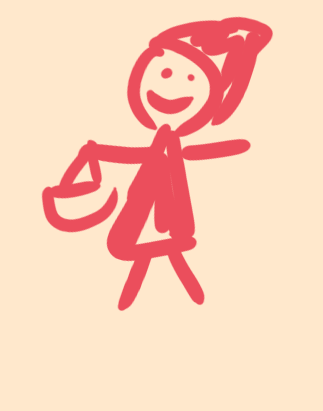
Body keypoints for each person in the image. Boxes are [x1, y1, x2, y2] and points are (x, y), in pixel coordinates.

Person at [43, 18, 273, 310]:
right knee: (130, 245)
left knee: (128, 245)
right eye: (164, 72)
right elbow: (137, 157)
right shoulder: (163, 145)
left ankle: (171, 250)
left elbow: (208, 152)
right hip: (143, 201)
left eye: (192, 79)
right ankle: (171, 251)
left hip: (167, 206)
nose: (174, 86)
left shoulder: (176, 146)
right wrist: (93, 156)